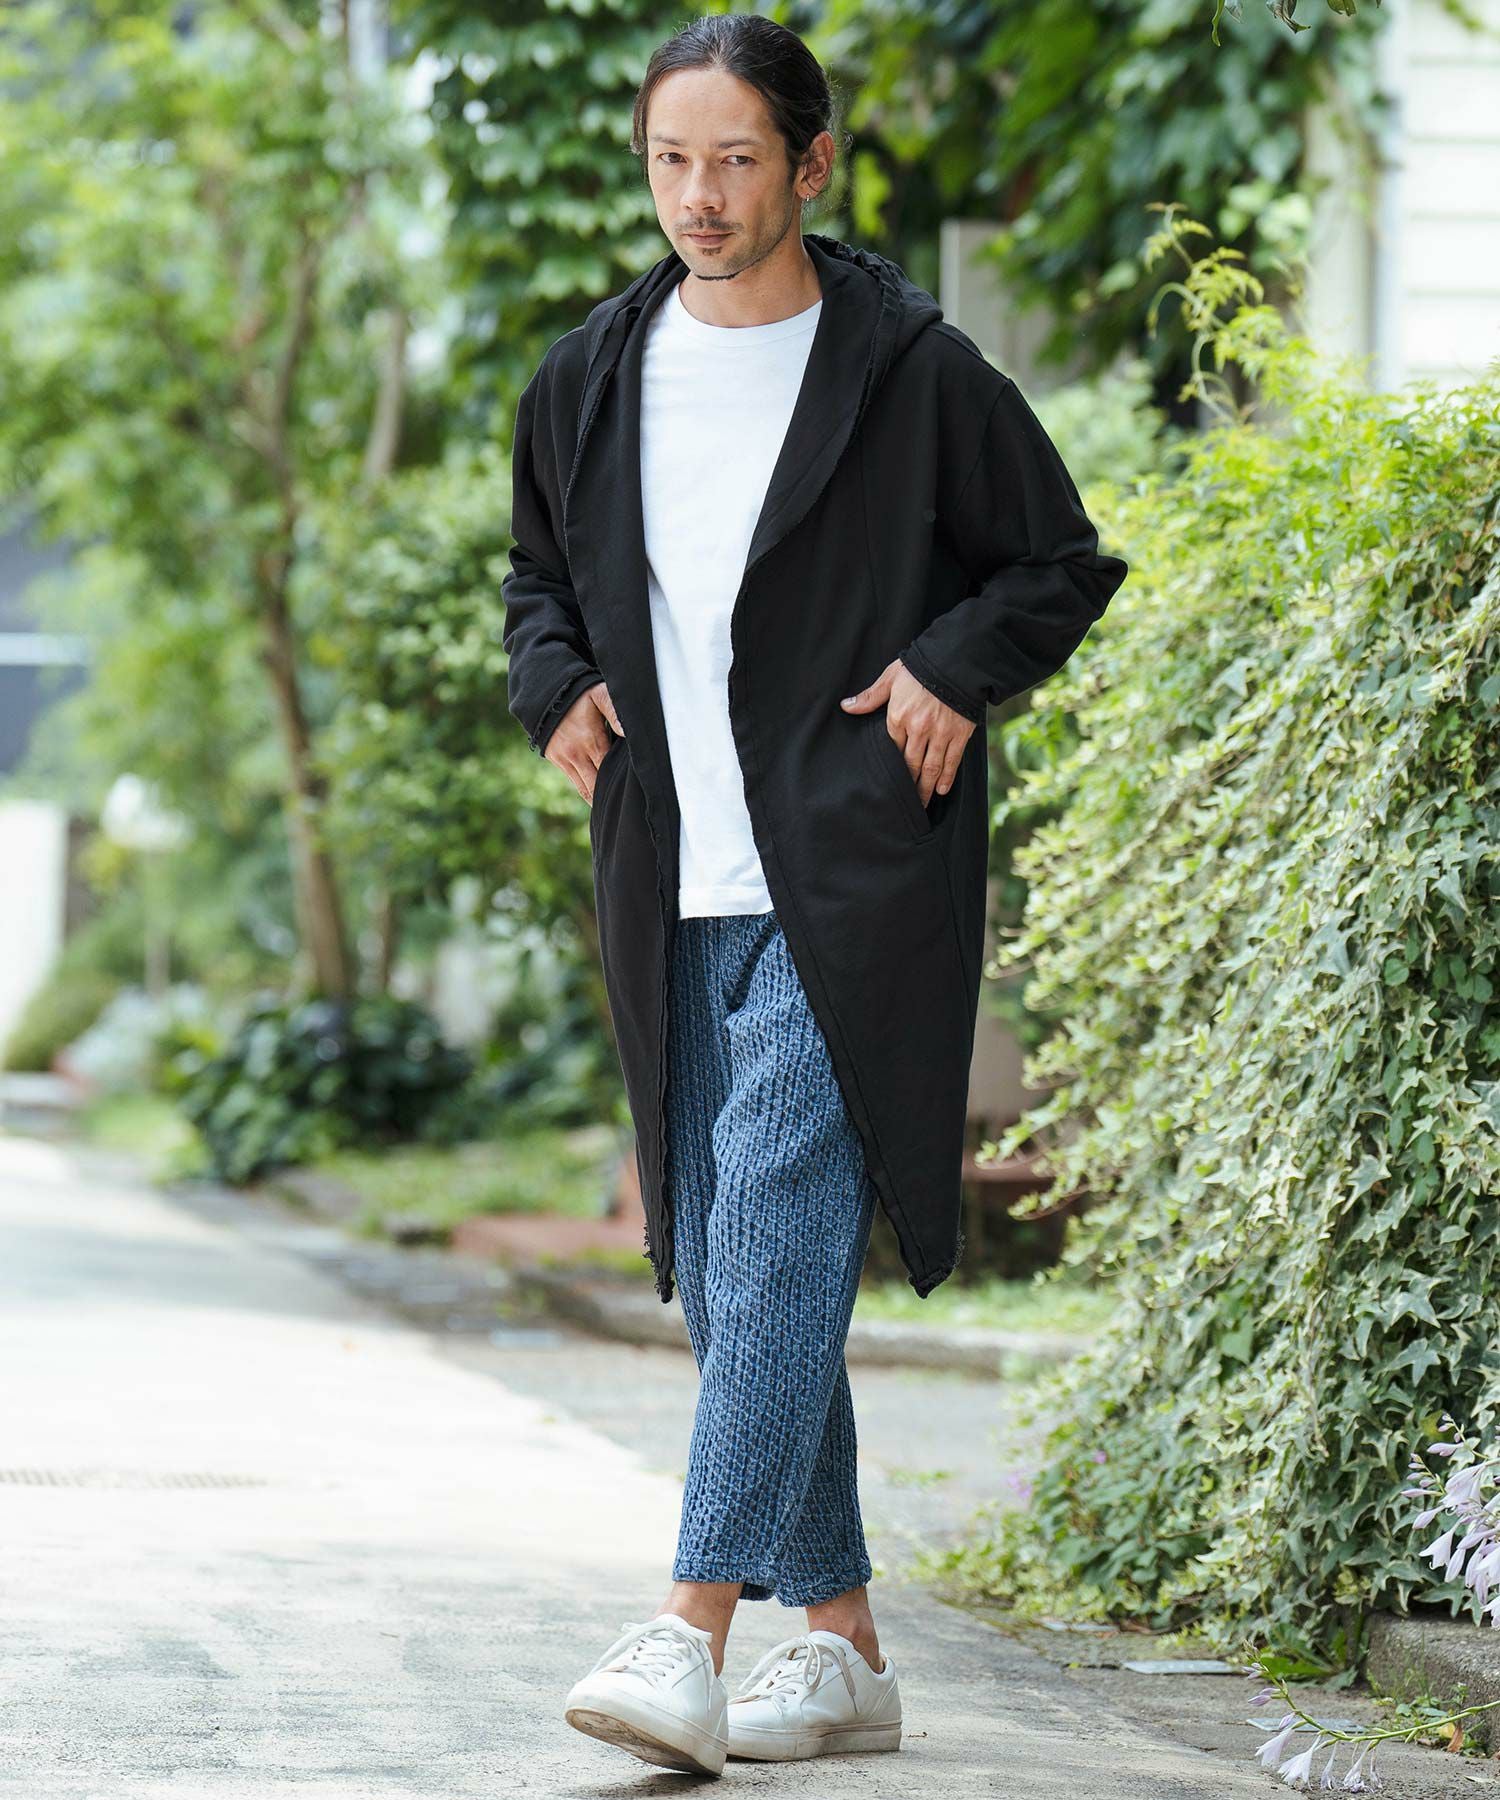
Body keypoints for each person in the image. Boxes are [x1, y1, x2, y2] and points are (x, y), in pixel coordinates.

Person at [500, 12, 1128, 1778]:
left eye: (735, 160)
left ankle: (689, 1629)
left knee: (775, 1208)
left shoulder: (911, 373)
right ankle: (843, 1650)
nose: (698, 196)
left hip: (852, 865)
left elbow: (1058, 561)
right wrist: (555, 687)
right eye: (670, 161)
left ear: (812, 165)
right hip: (669, 865)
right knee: (731, 1265)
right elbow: (538, 578)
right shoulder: (590, 376)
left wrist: (948, 669)